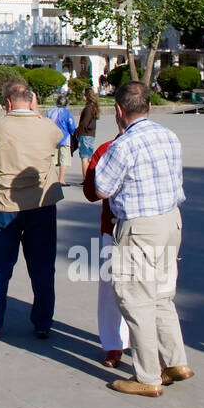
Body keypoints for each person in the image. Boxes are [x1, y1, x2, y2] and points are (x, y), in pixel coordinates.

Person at [93, 81, 192, 397]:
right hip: (171, 221)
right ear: (147, 106)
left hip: (140, 227)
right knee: (163, 294)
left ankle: (148, 377)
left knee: (136, 300)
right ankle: (176, 361)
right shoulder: (169, 135)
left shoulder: (123, 145)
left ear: (119, 111)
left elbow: (101, 189)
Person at [0, 79, 64, 340]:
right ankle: (43, 323)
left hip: (6, 203)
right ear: (32, 99)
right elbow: (57, 140)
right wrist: (36, 113)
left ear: (7, 102)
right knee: (43, 267)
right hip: (41, 203)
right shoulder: (45, 126)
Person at [83, 134, 131, 367]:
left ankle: (115, 345)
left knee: (112, 289)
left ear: (120, 112)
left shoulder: (106, 149)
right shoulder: (163, 140)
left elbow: (91, 192)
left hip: (115, 227)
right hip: (151, 228)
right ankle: (154, 352)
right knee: (153, 289)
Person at [46, 93, 78, 186]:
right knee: (64, 160)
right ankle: (61, 179)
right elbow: (71, 127)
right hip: (64, 139)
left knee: (53, 160)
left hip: (52, 138)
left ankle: (53, 179)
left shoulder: (50, 112)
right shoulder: (67, 113)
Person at [75, 87, 100, 176]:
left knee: (84, 158)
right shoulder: (94, 107)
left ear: (86, 96)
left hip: (85, 135)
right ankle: (89, 177)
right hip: (91, 135)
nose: (82, 96)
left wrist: (77, 131)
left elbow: (84, 123)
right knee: (89, 157)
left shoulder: (88, 108)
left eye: (83, 95)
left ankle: (86, 179)